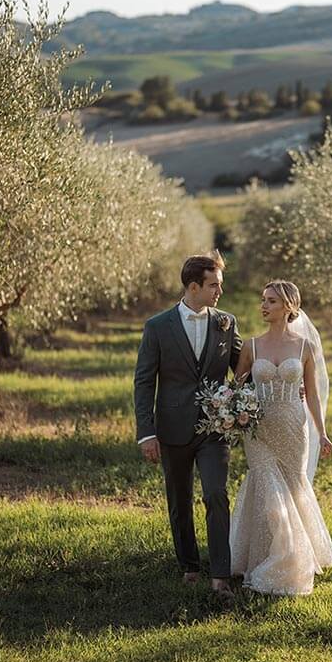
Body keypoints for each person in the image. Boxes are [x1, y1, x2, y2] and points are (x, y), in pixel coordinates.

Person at [133, 251, 241, 601]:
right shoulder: (157, 327)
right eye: (214, 286)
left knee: (216, 494)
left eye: (219, 286)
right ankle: (190, 566)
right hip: (172, 428)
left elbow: (245, 368)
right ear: (193, 286)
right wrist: (147, 432)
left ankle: (221, 576)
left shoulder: (226, 322)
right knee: (179, 500)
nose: (219, 292)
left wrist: (284, 380)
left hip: (215, 428)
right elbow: (144, 382)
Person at [228, 280, 332, 595]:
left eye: (272, 301)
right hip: (259, 429)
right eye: (263, 300)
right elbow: (236, 388)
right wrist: (233, 412)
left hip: (292, 426)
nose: (264, 306)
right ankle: (272, 555)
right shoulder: (251, 346)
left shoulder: (305, 348)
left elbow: (313, 395)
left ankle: (294, 554)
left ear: (289, 306)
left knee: (291, 484)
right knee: (264, 483)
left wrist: (323, 433)